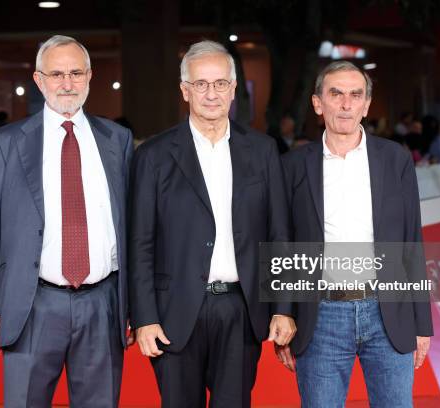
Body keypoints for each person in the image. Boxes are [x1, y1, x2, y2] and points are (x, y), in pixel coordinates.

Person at [0, 35, 133, 407]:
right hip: (32, 304)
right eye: (56, 74)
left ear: (90, 77)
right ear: (39, 80)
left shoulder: (117, 139)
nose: (67, 83)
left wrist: (135, 307)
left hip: (103, 303)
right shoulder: (8, 142)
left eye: (76, 73)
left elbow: (131, 227)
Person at [129, 40, 295, 408]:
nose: (211, 93)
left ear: (234, 89)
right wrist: (143, 318)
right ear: (184, 90)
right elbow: (140, 242)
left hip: (241, 308)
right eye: (201, 84)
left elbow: (279, 234)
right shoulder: (154, 156)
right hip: (173, 313)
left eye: (220, 83)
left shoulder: (264, 150)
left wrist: (283, 306)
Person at [281, 61, 433, 407]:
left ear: (366, 104)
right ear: (318, 103)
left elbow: (411, 240)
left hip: (388, 311)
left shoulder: (395, 159)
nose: (346, 104)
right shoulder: (292, 165)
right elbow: (283, 244)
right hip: (320, 317)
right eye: (336, 94)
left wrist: (422, 322)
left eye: (355, 95)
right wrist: (285, 314)